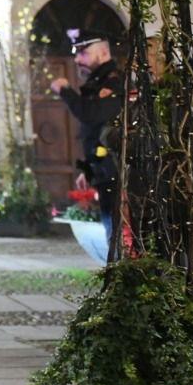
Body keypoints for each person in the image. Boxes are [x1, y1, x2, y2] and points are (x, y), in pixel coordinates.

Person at [51, 36, 124, 248]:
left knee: (117, 233)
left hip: (116, 171)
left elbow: (91, 114)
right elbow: (94, 131)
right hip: (103, 170)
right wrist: (88, 169)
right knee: (111, 231)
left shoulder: (114, 81)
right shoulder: (97, 83)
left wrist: (66, 91)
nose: (77, 60)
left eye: (83, 53)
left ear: (103, 53)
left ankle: (120, 274)